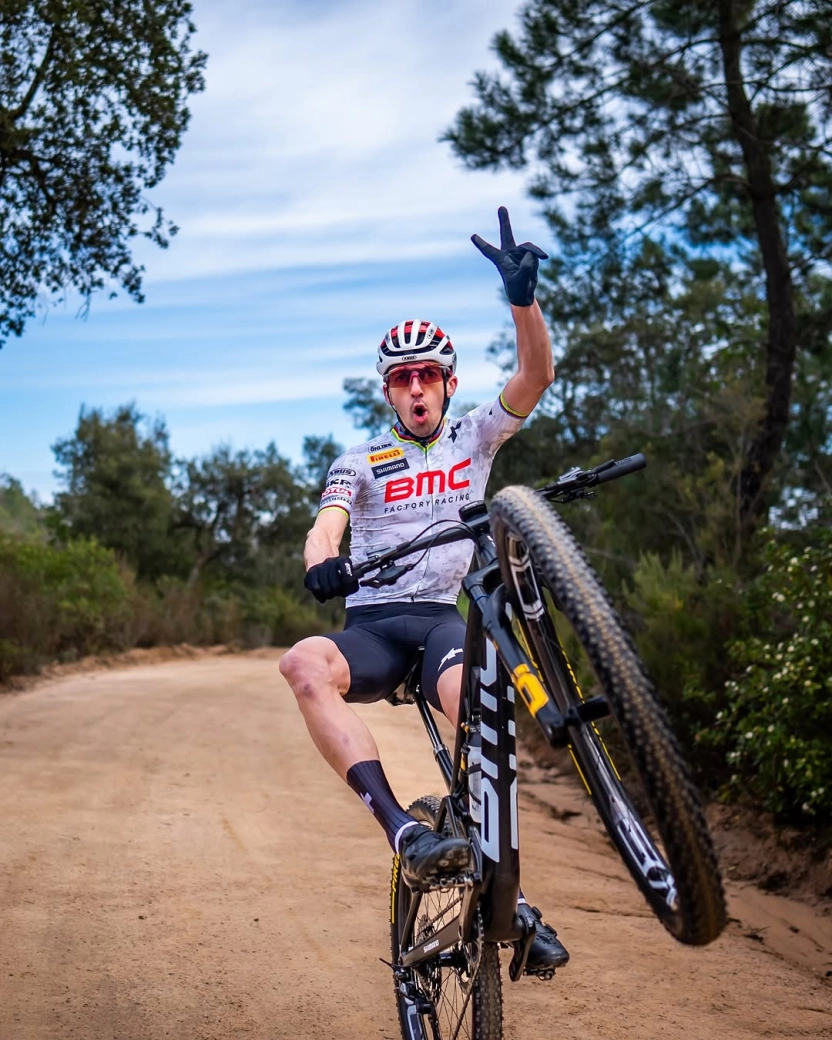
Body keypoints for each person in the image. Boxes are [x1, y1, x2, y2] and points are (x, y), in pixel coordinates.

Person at [279, 207, 568, 972]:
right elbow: (326, 527)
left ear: (447, 384)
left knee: (481, 710)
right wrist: (321, 561)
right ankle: (405, 833)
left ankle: (513, 900)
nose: (416, 388)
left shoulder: (474, 437)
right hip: (373, 627)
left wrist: (523, 301)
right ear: (388, 392)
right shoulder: (359, 459)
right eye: (402, 378)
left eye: (427, 376)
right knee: (303, 664)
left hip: (443, 621)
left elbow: (535, 378)